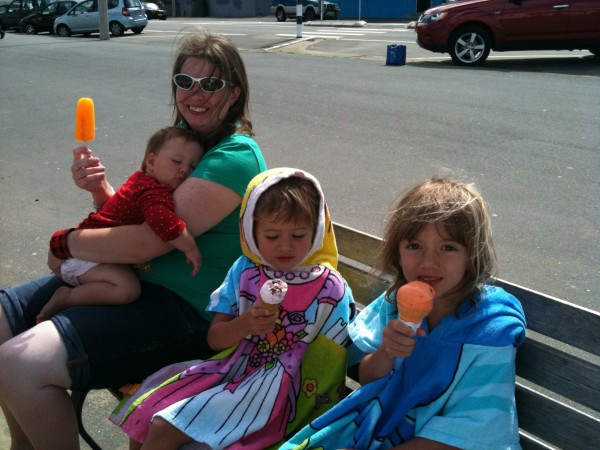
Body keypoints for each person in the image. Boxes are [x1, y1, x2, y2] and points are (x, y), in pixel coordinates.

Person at [0, 29, 267, 450]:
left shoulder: (234, 157)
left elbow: (149, 242)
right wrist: (100, 191)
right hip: (126, 284)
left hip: (183, 311)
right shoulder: (185, 140)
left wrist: (66, 243)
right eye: (185, 82)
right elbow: (135, 215)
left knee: (18, 364)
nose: (195, 93)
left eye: (211, 84)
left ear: (233, 94)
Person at [110, 168, 357, 450]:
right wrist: (244, 325)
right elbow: (215, 339)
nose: (285, 247)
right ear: (250, 231)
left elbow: (333, 359)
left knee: (166, 426)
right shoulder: (245, 272)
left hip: (280, 393)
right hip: (232, 371)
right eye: (272, 236)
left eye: (298, 235)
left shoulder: (331, 287)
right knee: (149, 412)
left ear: (317, 230)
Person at [280, 177, 527, 450]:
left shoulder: (489, 331)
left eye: (448, 248)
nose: (428, 262)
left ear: (472, 255)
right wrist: (387, 350)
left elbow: (475, 428)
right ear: (397, 252)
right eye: (414, 246)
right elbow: (367, 379)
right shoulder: (394, 304)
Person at [37, 126, 204, 324]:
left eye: (193, 166)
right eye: (176, 161)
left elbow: (115, 208)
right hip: (86, 256)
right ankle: (67, 297)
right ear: (151, 162)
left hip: (88, 248)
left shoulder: (140, 180)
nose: (185, 169)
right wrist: (189, 246)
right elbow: (163, 221)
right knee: (126, 289)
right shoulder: (154, 191)